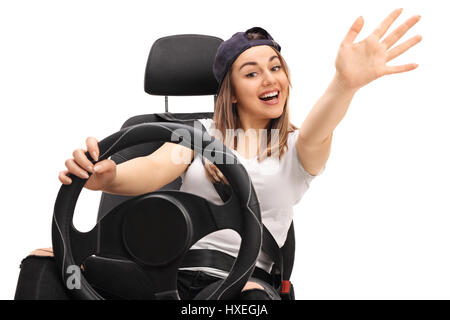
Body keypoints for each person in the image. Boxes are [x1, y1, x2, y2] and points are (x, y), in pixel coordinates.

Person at [29, 8, 422, 300]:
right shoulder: (199, 137)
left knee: (247, 303)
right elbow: (152, 169)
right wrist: (108, 177)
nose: (270, 79)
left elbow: (323, 124)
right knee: (44, 264)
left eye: (276, 68)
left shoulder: (297, 149)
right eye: (251, 73)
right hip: (166, 276)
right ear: (230, 90)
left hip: (239, 285)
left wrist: (344, 84)